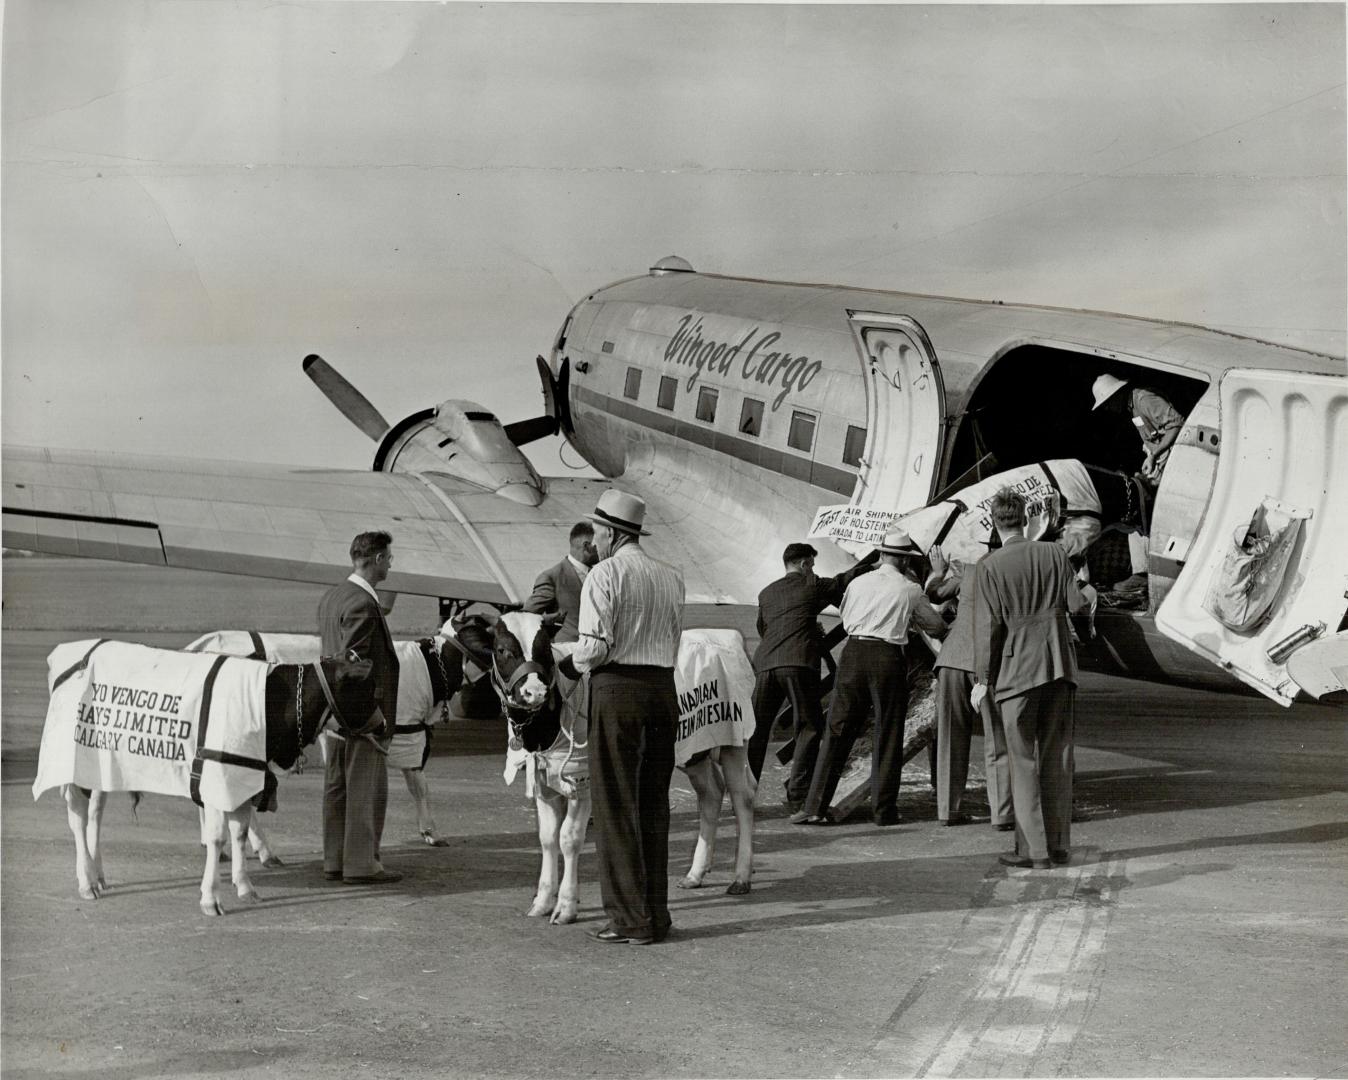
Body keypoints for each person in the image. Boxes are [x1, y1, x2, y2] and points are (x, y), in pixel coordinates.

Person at [559, 489, 684, 945]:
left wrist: (567, 664)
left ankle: (628, 920)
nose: (593, 541)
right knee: (653, 805)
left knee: (614, 805)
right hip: (662, 690)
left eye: (596, 533)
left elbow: (594, 646)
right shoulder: (671, 577)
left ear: (611, 533)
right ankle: (656, 915)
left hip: (618, 691)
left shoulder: (603, 574)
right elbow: (673, 638)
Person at [792, 529, 947, 827]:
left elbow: (847, 614)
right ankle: (884, 810)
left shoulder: (858, 582)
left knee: (837, 731)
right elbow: (935, 626)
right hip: (887, 657)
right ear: (904, 561)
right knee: (888, 733)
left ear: (881, 554)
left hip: (853, 654)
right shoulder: (910, 588)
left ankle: (813, 806)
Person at [971, 489, 1089, 870]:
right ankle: (1057, 846)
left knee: (1021, 761)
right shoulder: (1055, 554)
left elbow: (990, 629)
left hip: (1016, 670)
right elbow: (1078, 605)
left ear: (994, 522)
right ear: (1025, 519)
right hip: (1058, 664)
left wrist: (983, 679)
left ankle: (1033, 852)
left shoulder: (989, 565)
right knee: (1057, 758)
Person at [747, 541, 878, 811]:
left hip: (766, 663)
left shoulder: (767, 592)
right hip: (798, 663)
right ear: (805, 563)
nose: (813, 569)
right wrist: (876, 565)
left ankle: (744, 793)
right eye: (812, 565)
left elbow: (766, 628)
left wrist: (802, 626)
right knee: (808, 727)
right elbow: (844, 580)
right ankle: (798, 796)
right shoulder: (811, 584)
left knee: (757, 730)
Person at [317, 531, 402, 885]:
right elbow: (355, 667)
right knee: (364, 788)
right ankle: (361, 865)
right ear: (378, 560)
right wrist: (374, 716)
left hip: (332, 713)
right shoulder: (363, 605)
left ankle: (334, 861)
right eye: (389, 558)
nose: (391, 564)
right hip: (359, 714)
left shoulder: (332, 597)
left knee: (336, 785)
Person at [925, 543, 1013, 831]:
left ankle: (947, 810)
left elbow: (936, 593)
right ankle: (1001, 813)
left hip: (951, 658)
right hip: (987, 661)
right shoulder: (1013, 573)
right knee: (997, 738)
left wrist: (937, 574)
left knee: (949, 737)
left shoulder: (970, 570)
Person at [1091, 374, 1185, 592]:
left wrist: (1156, 454)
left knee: (1143, 507)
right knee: (1138, 510)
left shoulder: (1143, 399)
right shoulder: (1133, 409)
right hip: (1159, 462)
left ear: (1116, 396)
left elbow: (1176, 423)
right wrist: (1149, 453)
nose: (1108, 409)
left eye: (1107, 404)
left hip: (1171, 461)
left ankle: (1144, 573)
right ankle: (1142, 570)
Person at [521, 521, 598, 643]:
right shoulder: (551, 577)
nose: (604, 548)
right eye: (598, 545)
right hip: (566, 652)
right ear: (586, 546)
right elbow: (523, 617)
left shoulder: (599, 574)